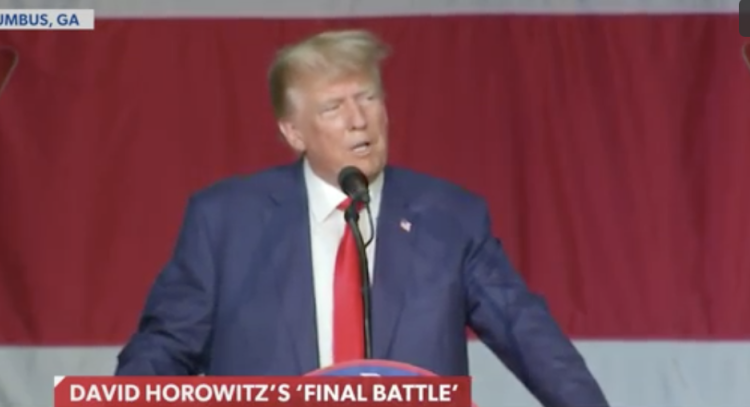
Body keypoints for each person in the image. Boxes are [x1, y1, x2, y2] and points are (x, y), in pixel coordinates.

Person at [115, 29, 609, 407]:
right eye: (334, 107)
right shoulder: (225, 222)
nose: (359, 120)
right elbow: (165, 348)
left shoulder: (451, 218)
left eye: (368, 98)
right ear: (293, 133)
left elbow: (528, 336)